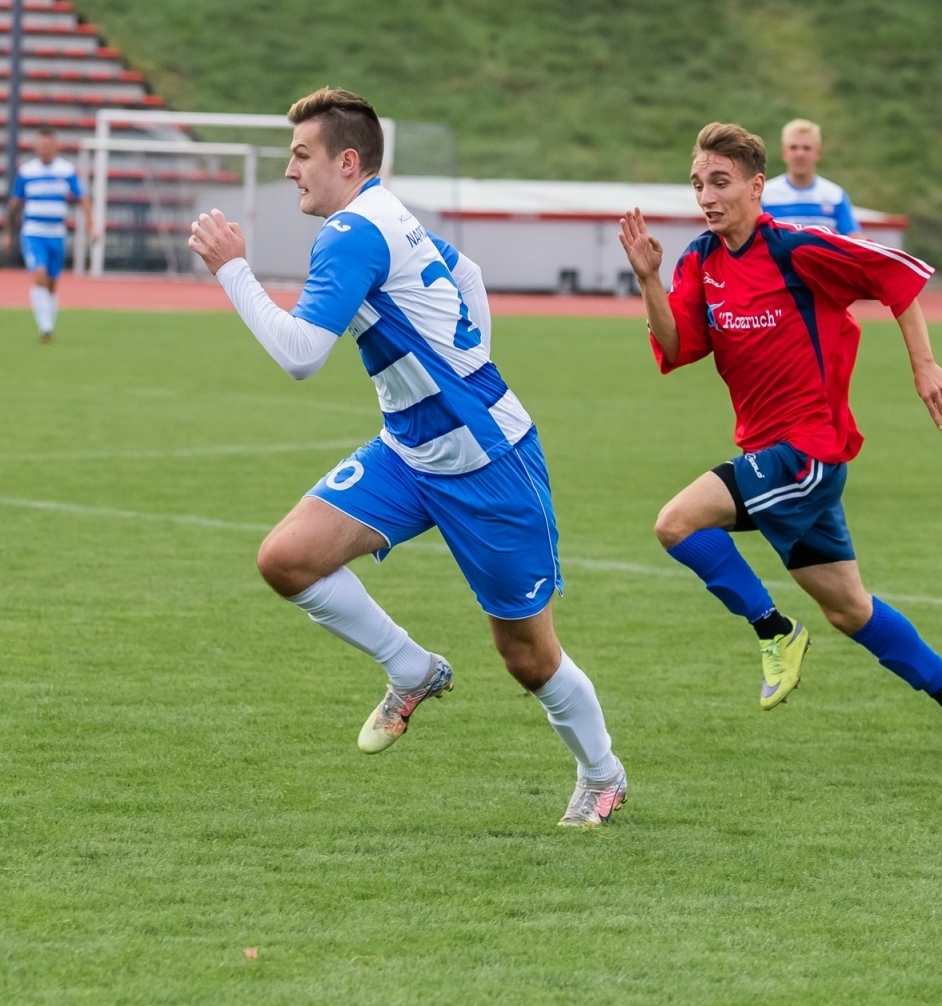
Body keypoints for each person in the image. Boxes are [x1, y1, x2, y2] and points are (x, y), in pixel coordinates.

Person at [187, 88, 628, 825]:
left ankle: (603, 773)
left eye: (302, 155)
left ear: (347, 160)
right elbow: (470, 277)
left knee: (528, 657)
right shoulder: (386, 211)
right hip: (409, 452)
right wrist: (465, 363)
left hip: (488, 463)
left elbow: (301, 354)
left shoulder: (353, 233)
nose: (291, 170)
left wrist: (234, 268)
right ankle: (411, 667)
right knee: (286, 558)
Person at [618, 121, 942, 758]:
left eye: (720, 182)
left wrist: (923, 363)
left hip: (807, 452)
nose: (706, 197)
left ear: (755, 186)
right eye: (697, 185)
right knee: (850, 610)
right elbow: (679, 345)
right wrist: (649, 279)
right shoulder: (699, 261)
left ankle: (775, 632)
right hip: (771, 456)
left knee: (676, 524)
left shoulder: (797, 249)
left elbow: (896, 278)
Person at [2, 128, 95, 343]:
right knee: (40, 276)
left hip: (57, 234)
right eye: (40, 145)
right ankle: (45, 328)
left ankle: (49, 324)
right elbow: (14, 204)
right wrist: (8, 233)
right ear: (36, 147)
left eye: (47, 145)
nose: (44, 148)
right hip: (33, 232)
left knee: (52, 282)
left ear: (55, 146)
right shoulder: (26, 172)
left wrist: (92, 225)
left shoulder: (66, 170)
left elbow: (82, 198)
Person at [759, 118, 861, 237]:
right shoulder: (765, 195)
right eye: (793, 147)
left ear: (818, 153)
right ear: (784, 153)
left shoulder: (835, 196)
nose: (800, 154)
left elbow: (855, 239)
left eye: (806, 148)